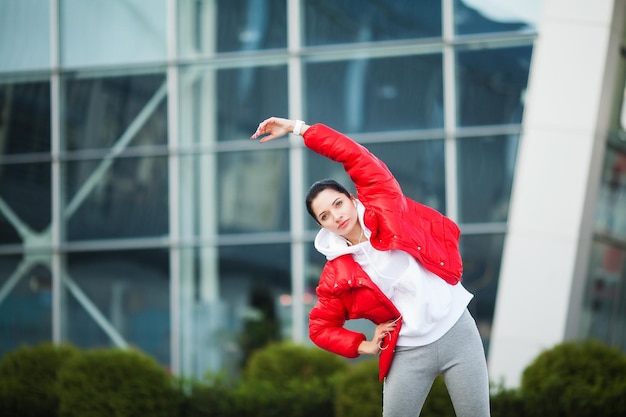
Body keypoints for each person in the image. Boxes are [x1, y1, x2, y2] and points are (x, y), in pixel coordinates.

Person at [251, 117, 491, 417]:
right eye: (325, 216)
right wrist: (362, 345)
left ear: (352, 199)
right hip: (407, 350)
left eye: (338, 204)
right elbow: (319, 328)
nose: (336, 216)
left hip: (457, 329)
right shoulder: (337, 275)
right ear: (321, 226)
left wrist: (299, 129)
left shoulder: (385, 204)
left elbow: (352, 154)